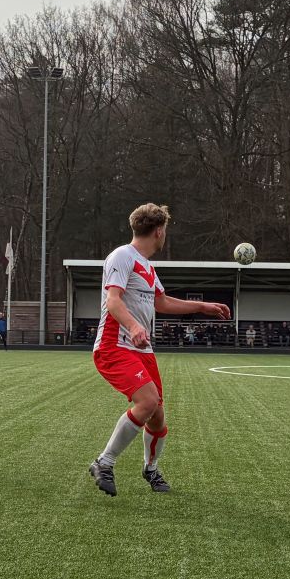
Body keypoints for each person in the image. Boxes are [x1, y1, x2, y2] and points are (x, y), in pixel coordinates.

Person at [88, 203, 230, 497]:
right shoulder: (122, 256)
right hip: (115, 345)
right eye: (165, 230)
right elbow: (113, 300)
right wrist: (134, 326)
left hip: (142, 351)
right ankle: (104, 462)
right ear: (158, 231)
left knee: (157, 417)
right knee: (148, 401)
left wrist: (202, 306)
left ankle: (150, 469)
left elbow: (162, 302)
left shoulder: (147, 267)